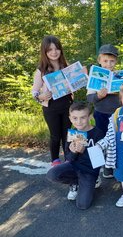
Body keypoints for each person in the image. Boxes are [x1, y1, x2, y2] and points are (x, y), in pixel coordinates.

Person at [46, 102, 105, 209]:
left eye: (83, 117)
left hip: (89, 171)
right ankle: (75, 182)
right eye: (75, 118)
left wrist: (84, 150)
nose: (79, 122)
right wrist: (73, 152)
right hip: (74, 167)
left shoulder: (98, 134)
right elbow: (68, 159)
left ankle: (94, 180)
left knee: (82, 205)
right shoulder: (74, 133)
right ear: (70, 118)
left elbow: (99, 161)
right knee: (52, 174)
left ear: (90, 116)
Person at [32, 35, 73, 166]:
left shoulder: (67, 67)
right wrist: (40, 97)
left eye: (56, 49)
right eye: (50, 50)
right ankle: (55, 160)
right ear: (44, 52)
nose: (54, 52)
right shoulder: (41, 71)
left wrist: (82, 75)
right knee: (55, 136)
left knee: (68, 135)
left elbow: (77, 83)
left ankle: (69, 159)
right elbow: (34, 92)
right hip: (51, 108)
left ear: (61, 50)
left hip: (67, 106)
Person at [87, 44, 121, 179]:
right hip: (101, 113)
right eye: (105, 61)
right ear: (99, 60)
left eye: (112, 61)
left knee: (116, 140)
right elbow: (89, 98)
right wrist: (98, 96)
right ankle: (100, 169)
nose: (108, 64)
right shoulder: (95, 76)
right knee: (101, 139)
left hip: (117, 114)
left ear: (116, 61)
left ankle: (112, 166)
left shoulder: (120, 76)